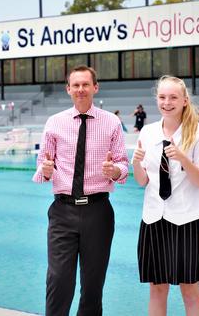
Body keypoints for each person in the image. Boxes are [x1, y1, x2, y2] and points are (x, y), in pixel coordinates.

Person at [33, 65, 129, 316]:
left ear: (95, 88)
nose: (81, 89)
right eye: (75, 85)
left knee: (93, 285)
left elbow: (123, 164)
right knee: (58, 280)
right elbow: (42, 170)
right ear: (68, 89)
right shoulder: (54, 123)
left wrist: (114, 171)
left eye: (86, 84)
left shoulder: (112, 122)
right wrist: (45, 169)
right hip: (62, 211)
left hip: (98, 211)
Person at [132, 75, 199, 316]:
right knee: (157, 289)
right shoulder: (148, 133)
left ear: (184, 101)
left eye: (173, 97)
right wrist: (136, 164)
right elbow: (143, 181)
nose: (167, 102)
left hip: (187, 220)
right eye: (162, 97)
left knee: (190, 290)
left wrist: (183, 158)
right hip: (154, 220)